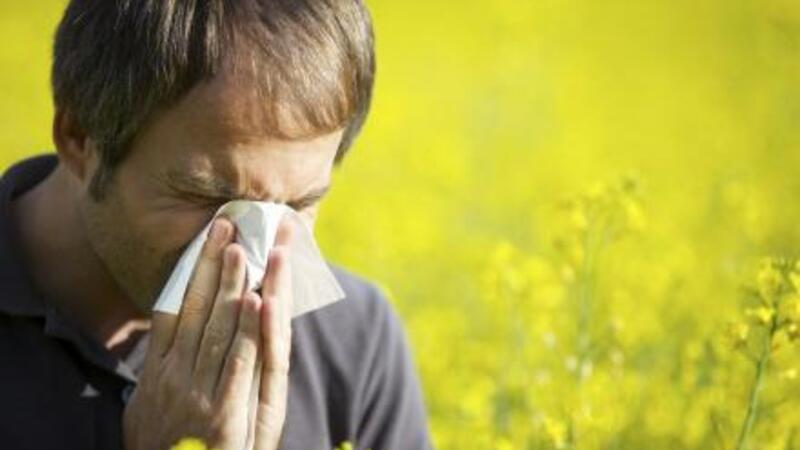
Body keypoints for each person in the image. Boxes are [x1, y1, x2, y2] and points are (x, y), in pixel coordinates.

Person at [0, 1, 433, 449]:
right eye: (208, 198)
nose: (251, 263)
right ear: (79, 137)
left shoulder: (355, 340)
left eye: (299, 204)